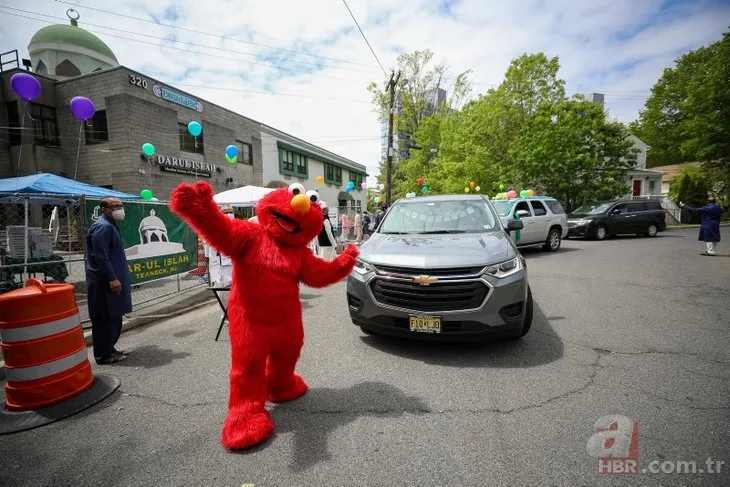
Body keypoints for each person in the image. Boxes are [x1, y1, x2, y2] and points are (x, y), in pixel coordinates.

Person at [85, 197, 132, 364]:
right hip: (104, 282)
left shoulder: (110, 225)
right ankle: (103, 355)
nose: (120, 209)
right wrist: (112, 278)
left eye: (121, 205)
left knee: (114, 317)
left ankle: (110, 349)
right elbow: (100, 257)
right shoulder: (102, 227)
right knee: (104, 319)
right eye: (115, 206)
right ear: (104, 209)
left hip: (113, 279)